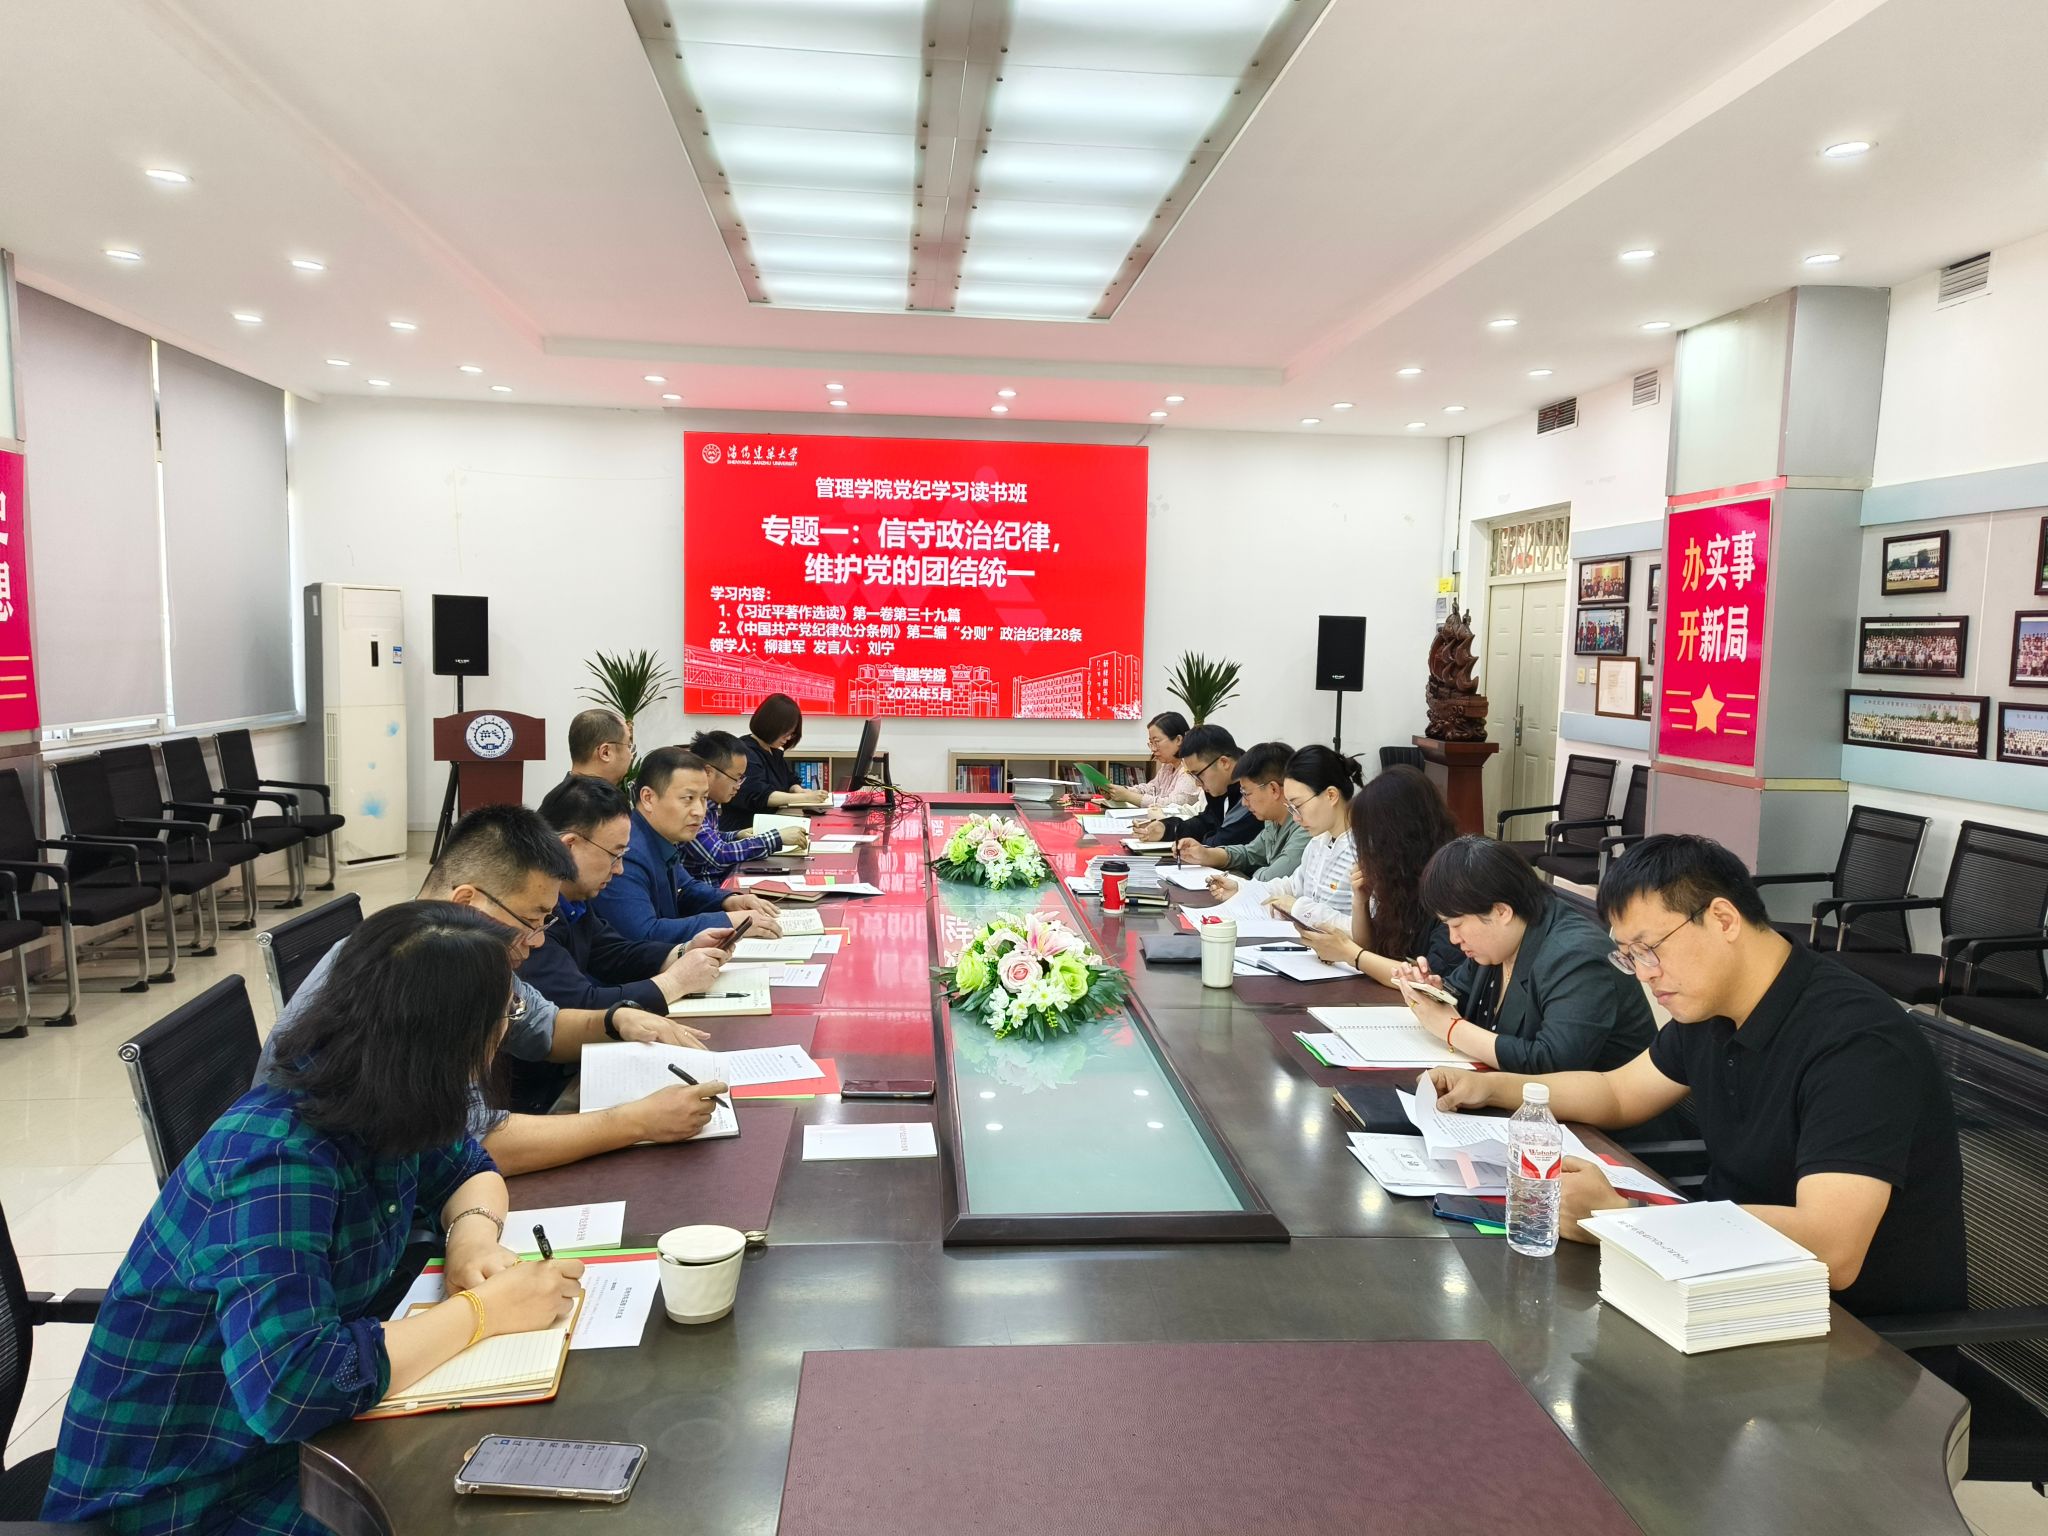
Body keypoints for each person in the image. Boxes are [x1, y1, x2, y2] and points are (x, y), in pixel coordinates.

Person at [44, 902, 593, 1535]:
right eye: (505, 1016)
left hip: (304, 1449)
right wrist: (482, 1312)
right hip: (188, 1499)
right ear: (446, 1042)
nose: (505, 1034)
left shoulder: (386, 1090)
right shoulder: (279, 1159)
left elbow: (468, 1167)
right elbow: (291, 1386)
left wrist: (472, 1239)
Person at [1424, 834, 1967, 1317]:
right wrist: (1492, 1087)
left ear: (1723, 920)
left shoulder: (1857, 1044)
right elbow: (1618, 1091)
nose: (1645, 975)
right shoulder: (1711, 1007)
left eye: (1649, 950)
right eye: (1629, 957)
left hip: (1847, 1332)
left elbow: (1833, 1248)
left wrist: (1627, 1216)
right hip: (1716, 1278)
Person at [254, 805, 729, 1175]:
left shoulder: (455, 949)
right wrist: (635, 1121)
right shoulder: (411, 975)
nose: (538, 940)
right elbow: (476, 1142)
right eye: (532, 919)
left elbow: (541, 1026)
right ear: (468, 902)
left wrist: (616, 1018)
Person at [518, 775, 733, 1109]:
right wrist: (673, 983)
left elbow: (610, 950)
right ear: (569, 847)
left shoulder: (573, 896)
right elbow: (577, 1004)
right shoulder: (529, 913)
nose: (618, 870)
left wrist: (681, 952)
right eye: (614, 855)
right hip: (537, 1094)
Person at [1389, 835, 1654, 1072]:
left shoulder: (1577, 957)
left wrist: (1451, 1028)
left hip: (1592, 1113)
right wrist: (1435, 994)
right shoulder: (1496, 942)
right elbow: (1461, 995)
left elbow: (1553, 1063)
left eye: (1457, 925)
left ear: (1501, 911)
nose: (1453, 938)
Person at [596, 746, 785, 945]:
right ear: (648, 798)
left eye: (703, 798)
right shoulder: (626, 852)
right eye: (688, 799)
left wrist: (729, 900)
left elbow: (686, 888)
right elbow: (645, 934)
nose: (699, 811)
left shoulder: (660, 836)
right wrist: (728, 921)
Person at [1297, 766, 1465, 984]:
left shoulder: (1450, 878)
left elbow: (1430, 979)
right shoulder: (1401, 877)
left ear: (1398, 834)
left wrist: (1350, 953)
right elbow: (1373, 949)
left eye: (1371, 838)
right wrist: (1360, 901)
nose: (1368, 849)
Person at [1205, 744, 1360, 929]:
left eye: (1298, 806)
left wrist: (1298, 908)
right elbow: (1292, 886)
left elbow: (1368, 932)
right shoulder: (1319, 843)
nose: (1295, 818)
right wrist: (1241, 889)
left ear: (1331, 795)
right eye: (1291, 808)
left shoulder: (1363, 851)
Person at [683, 727, 810, 879]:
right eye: (736, 778)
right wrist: (776, 838)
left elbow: (712, 837)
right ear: (708, 772)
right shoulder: (690, 809)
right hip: (709, 888)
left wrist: (737, 835)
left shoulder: (709, 803)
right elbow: (719, 854)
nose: (738, 786)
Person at [1172, 741, 1308, 881]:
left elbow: (1271, 878)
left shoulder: (1305, 826)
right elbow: (1250, 854)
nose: (1243, 802)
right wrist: (1206, 854)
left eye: (1246, 793)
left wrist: (1249, 877)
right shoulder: (1273, 821)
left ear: (1273, 789)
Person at [1139, 724, 1256, 850]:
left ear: (1224, 762)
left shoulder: (1253, 794)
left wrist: (1200, 843)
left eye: (1198, 774)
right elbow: (1207, 822)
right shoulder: (1223, 786)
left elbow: (1224, 842)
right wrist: (1166, 829)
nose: (1198, 784)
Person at [728, 693, 831, 822]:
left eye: (792, 734)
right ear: (771, 726)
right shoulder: (745, 753)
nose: (788, 738)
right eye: (786, 733)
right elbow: (760, 795)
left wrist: (799, 790)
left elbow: (789, 780)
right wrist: (806, 798)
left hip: (773, 818)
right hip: (747, 825)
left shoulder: (773, 751)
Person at [1099, 711, 1201, 809]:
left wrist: (1128, 796)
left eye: (1156, 742)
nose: (1153, 749)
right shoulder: (1168, 765)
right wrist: (1118, 791)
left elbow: (1173, 805)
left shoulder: (1191, 769)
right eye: (1151, 743)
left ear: (1178, 740)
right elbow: (1151, 789)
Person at [566, 707, 634, 788]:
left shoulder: (558, 794)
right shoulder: (594, 796)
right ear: (605, 752)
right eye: (628, 746)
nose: (631, 756)